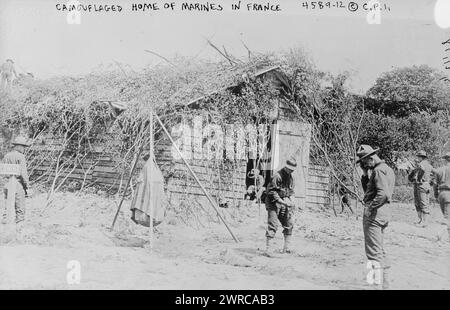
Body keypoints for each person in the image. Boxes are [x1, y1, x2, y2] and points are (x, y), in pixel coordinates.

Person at [356, 145, 395, 289]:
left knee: (373, 253)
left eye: (365, 162)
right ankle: (386, 284)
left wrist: (370, 208)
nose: (364, 165)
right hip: (384, 213)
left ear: (371, 158)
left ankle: (376, 286)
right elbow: (369, 191)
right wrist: (365, 174)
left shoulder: (378, 171)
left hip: (375, 214)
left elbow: (383, 194)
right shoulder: (387, 169)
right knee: (380, 250)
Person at [264, 158, 297, 256]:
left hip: (283, 202)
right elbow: (272, 192)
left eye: (292, 170)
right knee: (273, 225)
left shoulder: (291, 178)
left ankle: (286, 248)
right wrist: (283, 202)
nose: (290, 171)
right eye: (289, 169)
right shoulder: (277, 176)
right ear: (286, 167)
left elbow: (291, 191)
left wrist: (292, 201)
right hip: (273, 203)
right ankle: (268, 249)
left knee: (289, 223)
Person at [2, 136, 31, 225]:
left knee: (8, 205)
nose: (24, 149)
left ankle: (6, 223)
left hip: (7, 183)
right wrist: (27, 187)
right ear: (19, 146)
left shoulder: (7, 156)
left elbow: (2, 169)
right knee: (20, 207)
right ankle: (18, 227)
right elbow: (23, 174)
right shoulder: (21, 157)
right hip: (17, 184)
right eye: (23, 147)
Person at [408, 150, 434, 226]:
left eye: (418, 157)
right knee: (423, 202)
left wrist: (419, 178)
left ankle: (423, 221)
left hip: (421, 184)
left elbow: (421, 170)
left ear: (420, 157)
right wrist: (430, 182)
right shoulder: (429, 165)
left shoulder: (421, 165)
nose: (417, 158)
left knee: (421, 202)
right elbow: (435, 174)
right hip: (424, 184)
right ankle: (422, 221)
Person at [433, 152, 450, 241]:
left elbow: (435, 184)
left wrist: (436, 194)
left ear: (445, 159)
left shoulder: (439, 170)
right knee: (447, 217)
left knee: (446, 215)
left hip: (442, 193)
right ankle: (440, 233)